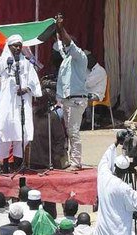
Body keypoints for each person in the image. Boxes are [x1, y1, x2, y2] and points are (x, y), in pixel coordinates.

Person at [0, 34, 41, 169]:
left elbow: (34, 83)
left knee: (21, 132)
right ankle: (4, 165)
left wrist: (26, 89)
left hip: (22, 103)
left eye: (19, 46)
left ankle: (17, 165)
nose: (17, 48)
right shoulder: (1, 62)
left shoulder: (27, 64)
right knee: (4, 130)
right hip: (6, 104)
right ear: (9, 46)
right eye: (14, 46)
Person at [54, 14, 88, 170]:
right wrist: (57, 31)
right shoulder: (67, 58)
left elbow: (67, 43)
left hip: (76, 100)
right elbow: (61, 46)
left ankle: (76, 162)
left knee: (73, 132)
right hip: (68, 100)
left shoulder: (80, 57)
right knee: (68, 131)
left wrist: (62, 29)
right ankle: (69, 160)